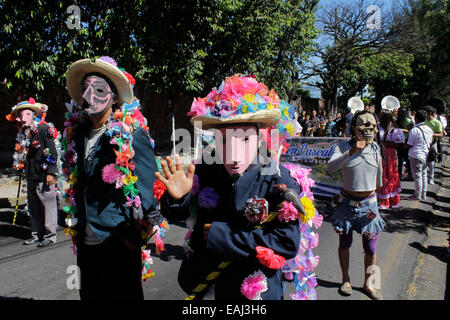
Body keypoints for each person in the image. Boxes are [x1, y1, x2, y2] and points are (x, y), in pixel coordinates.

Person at [158, 75, 305, 300]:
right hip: (207, 286)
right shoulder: (205, 169)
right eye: (225, 140)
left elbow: (286, 242)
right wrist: (178, 198)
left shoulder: (278, 179)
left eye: (244, 140)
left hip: (252, 292)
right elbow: (180, 215)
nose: (234, 155)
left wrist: (223, 235)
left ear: (258, 139)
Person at [62, 56, 161, 300]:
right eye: (85, 89)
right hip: (86, 243)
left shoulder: (131, 135)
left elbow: (151, 191)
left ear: (114, 97)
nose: (89, 96)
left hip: (118, 243)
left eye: (98, 89)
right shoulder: (78, 135)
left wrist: (133, 239)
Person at [327, 110, 385, 300]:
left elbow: (379, 181)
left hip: (369, 206)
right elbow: (330, 169)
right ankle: (346, 280)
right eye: (364, 125)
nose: (369, 130)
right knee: (345, 243)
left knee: (371, 248)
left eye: (372, 126)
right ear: (353, 128)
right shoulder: (343, 147)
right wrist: (351, 152)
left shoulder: (376, 149)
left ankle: (370, 284)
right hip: (346, 205)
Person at [6, 98, 59, 247]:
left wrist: (51, 172)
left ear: (33, 115)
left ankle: (50, 235)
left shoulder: (43, 129)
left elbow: (52, 152)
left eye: (27, 114)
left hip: (43, 175)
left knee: (48, 205)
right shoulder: (23, 133)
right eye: (21, 115)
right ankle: (36, 234)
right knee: (34, 206)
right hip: (31, 174)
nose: (23, 118)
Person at [377, 109, 405, 209]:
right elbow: (399, 142)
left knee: (385, 175)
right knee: (389, 174)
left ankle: (386, 200)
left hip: (383, 153)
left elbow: (398, 143)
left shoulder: (380, 129)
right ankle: (392, 200)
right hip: (390, 153)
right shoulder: (393, 130)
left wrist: (384, 143)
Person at [405, 109, 433, 201]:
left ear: (416, 119)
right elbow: (430, 142)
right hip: (425, 154)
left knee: (417, 176)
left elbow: (409, 144)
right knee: (424, 174)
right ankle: (423, 194)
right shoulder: (429, 129)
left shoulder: (414, 130)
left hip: (416, 155)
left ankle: (417, 195)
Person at [424, 106, 443, 184]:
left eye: (426, 112)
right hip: (424, 143)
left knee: (431, 162)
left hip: (432, 144)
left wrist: (431, 134)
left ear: (430, 113)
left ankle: (431, 178)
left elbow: (441, 134)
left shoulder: (437, 122)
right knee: (424, 161)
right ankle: (424, 178)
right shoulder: (424, 121)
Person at [395, 108, 414, 180]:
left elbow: (410, 131)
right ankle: (401, 173)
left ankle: (408, 172)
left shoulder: (408, 121)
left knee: (404, 157)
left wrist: (400, 130)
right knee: (401, 158)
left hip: (405, 140)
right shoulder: (398, 121)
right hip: (400, 140)